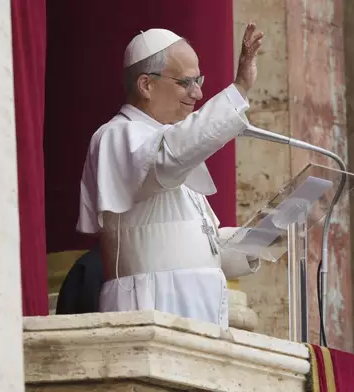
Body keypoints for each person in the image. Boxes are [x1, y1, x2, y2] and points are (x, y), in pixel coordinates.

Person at [76, 24, 265, 327]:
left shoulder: (171, 144)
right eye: (186, 82)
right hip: (150, 313)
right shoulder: (117, 136)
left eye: (199, 80)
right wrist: (238, 89)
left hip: (196, 316)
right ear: (146, 85)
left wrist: (267, 234)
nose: (199, 93)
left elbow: (203, 247)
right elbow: (167, 158)